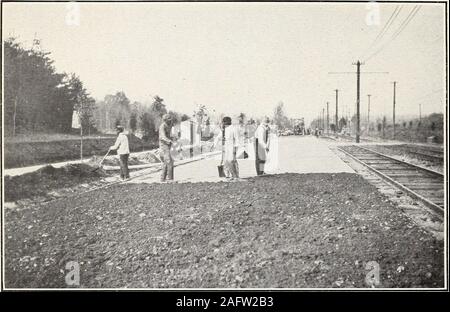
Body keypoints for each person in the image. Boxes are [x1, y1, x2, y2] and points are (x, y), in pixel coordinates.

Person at [159, 114, 174, 182]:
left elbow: (169, 135)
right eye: (169, 120)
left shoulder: (169, 125)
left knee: (166, 161)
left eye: (170, 119)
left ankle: (163, 178)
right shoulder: (162, 126)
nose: (170, 121)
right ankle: (170, 178)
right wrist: (169, 140)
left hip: (167, 145)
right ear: (165, 120)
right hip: (163, 145)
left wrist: (172, 138)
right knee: (169, 161)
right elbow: (162, 137)